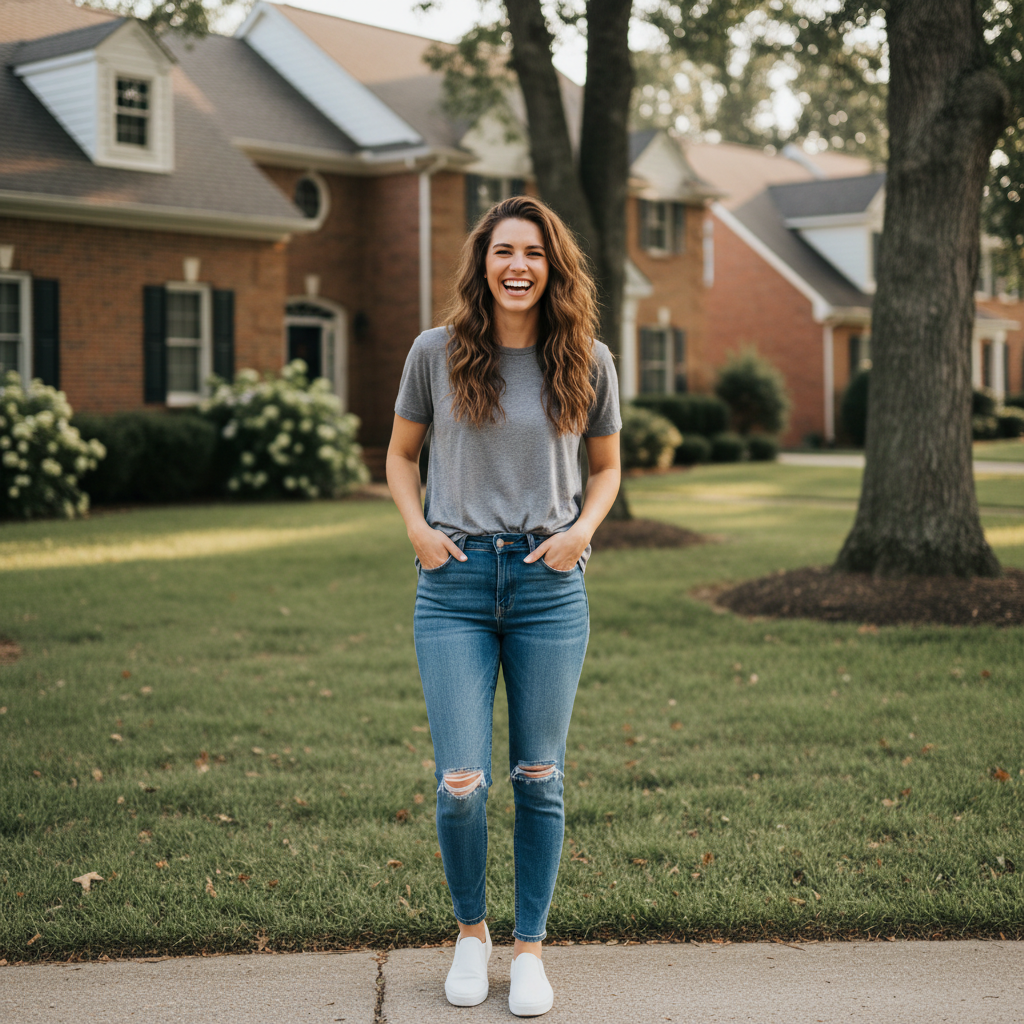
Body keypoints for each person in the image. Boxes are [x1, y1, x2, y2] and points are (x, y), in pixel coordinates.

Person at [386, 195, 621, 1017]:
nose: (517, 265)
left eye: (533, 253)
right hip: (451, 584)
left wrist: (580, 533)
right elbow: (401, 453)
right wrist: (417, 528)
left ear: (553, 266)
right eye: (502, 252)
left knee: (540, 776)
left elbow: (606, 469)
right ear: (482, 264)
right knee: (460, 780)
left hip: (547, 588)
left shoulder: (587, 358)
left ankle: (528, 950)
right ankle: (470, 936)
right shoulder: (435, 352)